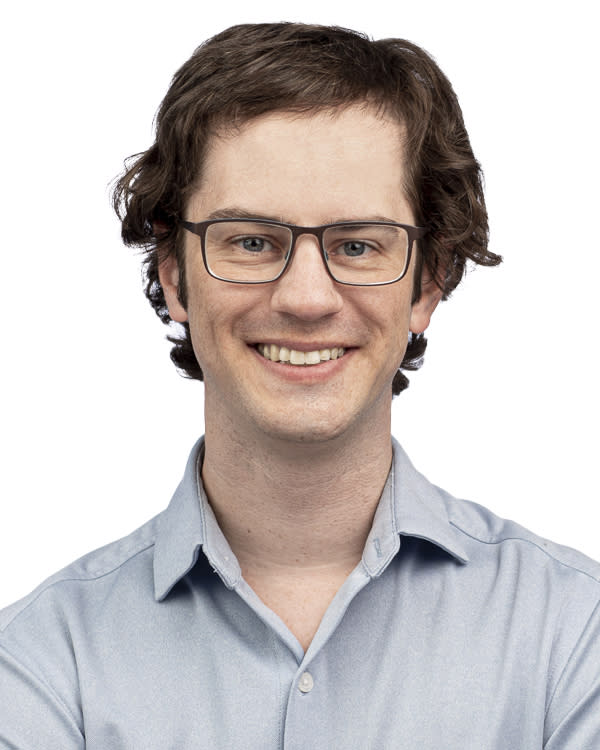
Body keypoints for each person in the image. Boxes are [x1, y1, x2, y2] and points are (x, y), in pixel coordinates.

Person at [1, 22, 598, 749]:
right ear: (173, 274)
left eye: (358, 245)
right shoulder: (37, 663)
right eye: (252, 242)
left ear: (428, 283)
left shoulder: (575, 636)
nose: (307, 298)